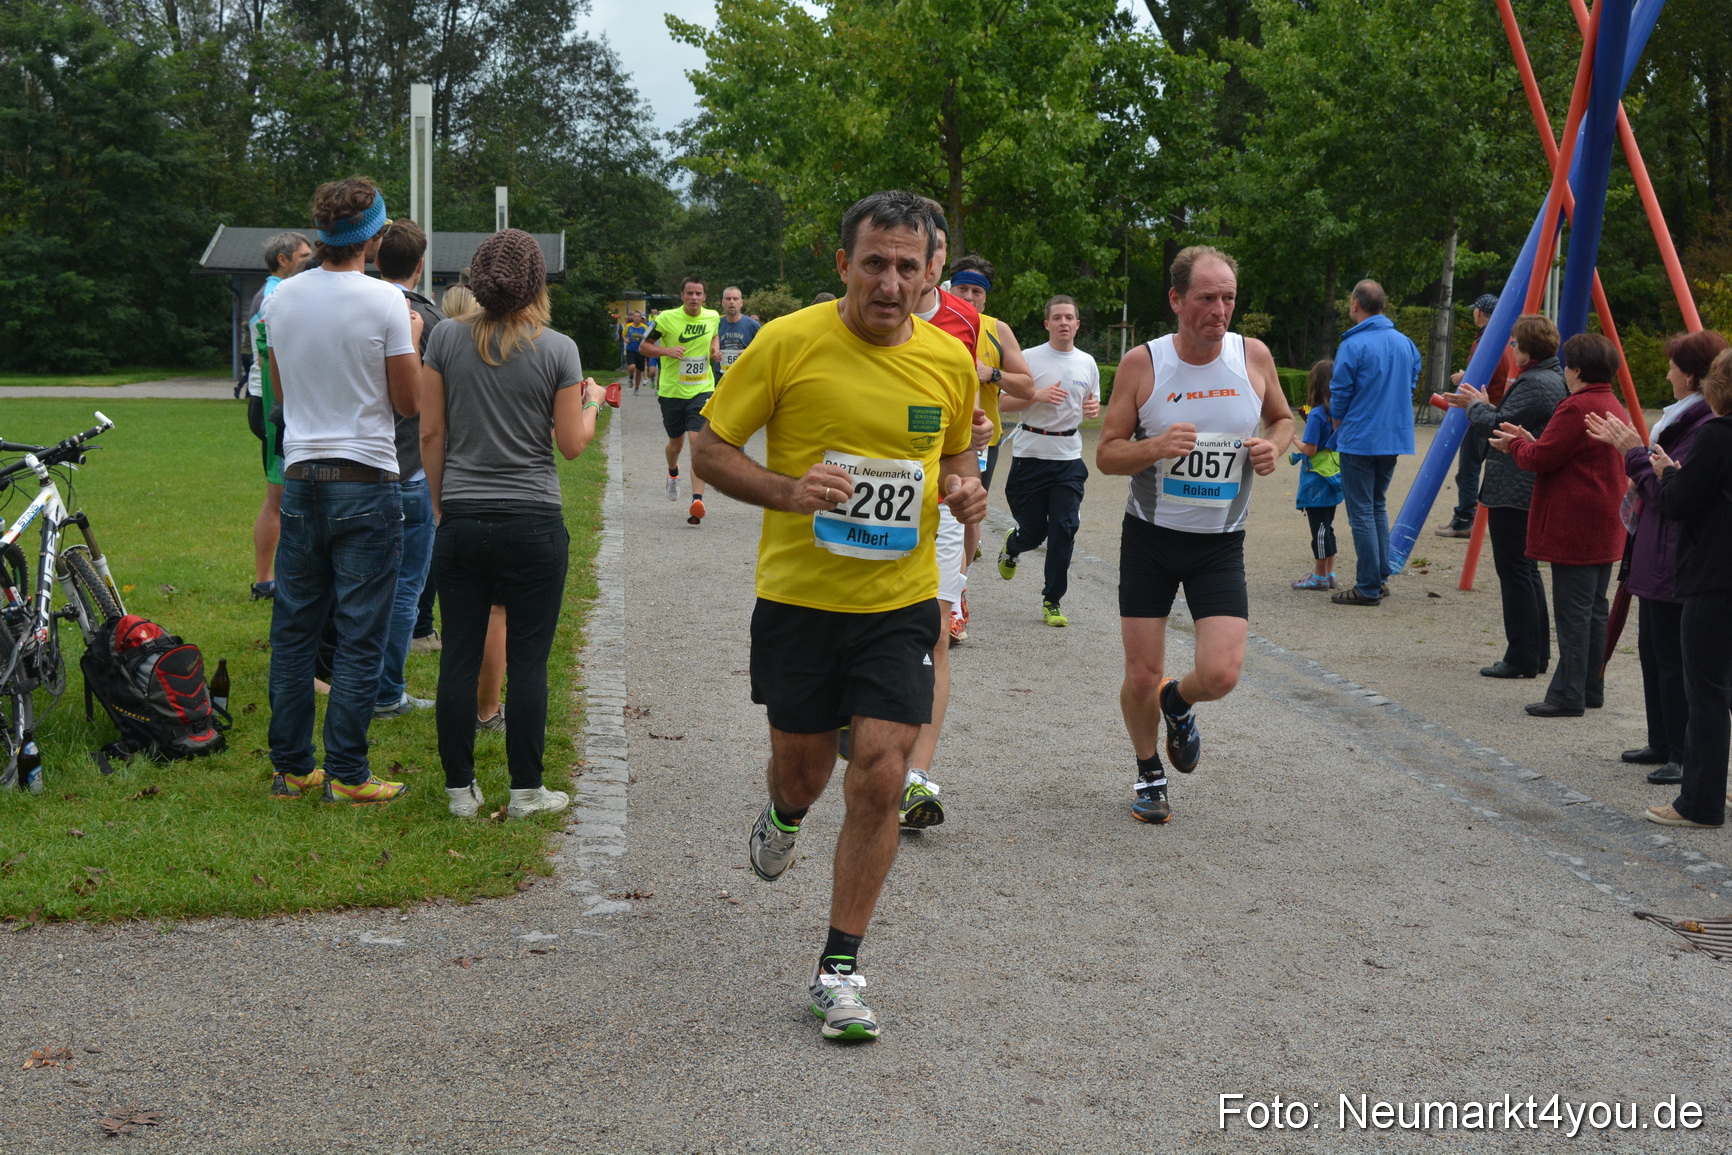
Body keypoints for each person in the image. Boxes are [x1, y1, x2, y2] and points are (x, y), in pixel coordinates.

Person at [691, 189, 985, 1041]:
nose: (889, 282)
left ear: (931, 270)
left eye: (907, 266)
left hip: (897, 604)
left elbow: (960, 454)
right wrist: (788, 490)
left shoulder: (948, 359)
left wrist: (966, 486)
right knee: (805, 775)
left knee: (884, 773)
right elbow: (710, 447)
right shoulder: (786, 343)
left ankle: (839, 967)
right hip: (799, 600)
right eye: (874, 263)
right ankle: (781, 816)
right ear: (843, 263)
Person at [1097, 245, 1293, 824]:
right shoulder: (1143, 364)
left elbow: (1283, 420)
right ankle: (1149, 773)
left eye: (1228, 297)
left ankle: (1177, 702)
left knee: (1221, 674)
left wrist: (1271, 448)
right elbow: (1107, 455)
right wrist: (1155, 447)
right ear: (1177, 299)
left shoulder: (1252, 356)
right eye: (1206, 297)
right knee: (1139, 673)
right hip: (1152, 538)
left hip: (1220, 543)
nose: (1220, 309)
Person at [420, 228, 607, 819]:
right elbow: (572, 445)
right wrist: (594, 402)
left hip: (463, 517)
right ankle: (527, 790)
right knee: (529, 660)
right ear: (537, 283)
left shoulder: (444, 338)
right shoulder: (559, 349)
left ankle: (459, 791)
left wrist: (438, 504)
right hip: (533, 520)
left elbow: (431, 432)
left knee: (459, 657)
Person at [261, 176, 421, 804]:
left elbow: (279, 389)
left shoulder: (280, 299)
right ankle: (348, 774)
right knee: (360, 634)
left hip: (301, 479)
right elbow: (407, 403)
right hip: (367, 480)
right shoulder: (385, 302)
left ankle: (292, 767)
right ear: (375, 238)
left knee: (295, 631)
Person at [1585, 329, 1729, 783]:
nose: (1666, 374)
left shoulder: (1704, 428)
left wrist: (1633, 457)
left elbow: (1674, 497)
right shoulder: (1687, 421)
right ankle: (1663, 740)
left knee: (1676, 661)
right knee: (1653, 651)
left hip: (1676, 556)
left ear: (1691, 376)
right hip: (1657, 552)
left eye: (1671, 367)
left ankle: (1682, 754)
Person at [900, 203, 989, 820]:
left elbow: (969, 406)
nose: (919, 267)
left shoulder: (965, 322)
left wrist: (974, 430)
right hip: (871, 505)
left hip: (942, 501)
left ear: (940, 260)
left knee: (933, 635)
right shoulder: (860, 316)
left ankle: (916, 777)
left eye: (931, 254)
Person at [1488, 332, 1628, 717]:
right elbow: (1558, 451)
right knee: (1595, 608)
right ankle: (1589, 686)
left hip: (1575, 521)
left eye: (1568, 365)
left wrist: (1516, 445)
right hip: (1605, 518)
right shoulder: (1611, 402)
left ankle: (1568, 694)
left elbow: (1542, 459)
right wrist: (1531, 441)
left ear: (1577, 369)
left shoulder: (1577, 406)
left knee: (1574, 612)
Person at [1447, 314, 1566, 680]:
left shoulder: (1535, 382)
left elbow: (1500, 427)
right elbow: (1507, 418)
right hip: (1522, 486)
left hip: (1514, 489)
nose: (1511, 347)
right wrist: (1483, 404)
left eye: (1515, 342)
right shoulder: (1548, 377)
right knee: (1526, 572)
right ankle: (1536, 653)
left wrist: (1474, 407)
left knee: (1515, 573)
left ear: (1526, 349)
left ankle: (1521, 656)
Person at [1642, 349, 1732, 827]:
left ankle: (1699, 803)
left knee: (1707, 692)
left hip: (1715, 574)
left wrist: (1668, 473)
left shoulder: (1717, 435)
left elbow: (1681, 503)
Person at [371, 219, 444, 720]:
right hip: (409, 469)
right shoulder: (430, 322)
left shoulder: (356, 307)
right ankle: (386, 691)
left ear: (378, 260)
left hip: (352, 464)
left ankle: (350, 680)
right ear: (420, 266)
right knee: (404, 588)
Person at [946, 254, 1036, 640]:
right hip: (928, 433)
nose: (968, 296)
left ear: (985, 298)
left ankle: (956, 591)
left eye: (976, 291)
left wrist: (992, 373)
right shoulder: (927, 319)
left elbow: (1028, 387)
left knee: (967, 514)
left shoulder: (996, 330)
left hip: (981, 439)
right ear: (949, 287)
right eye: (962, 288)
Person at [996, 295, 1101, 626]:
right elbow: (1000, 402)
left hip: (1068, 457)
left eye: (1070, 317)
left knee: (1064, 528)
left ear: (1078, 324)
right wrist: (1035, 395)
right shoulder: (1028, 358)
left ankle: (1052, 600)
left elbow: (1092, 399)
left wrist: (1093, 408)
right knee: (1034, 532)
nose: (1064, 322)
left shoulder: (1088, 362)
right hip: (1030, 454)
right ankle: (1014, 545)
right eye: (1057, 317)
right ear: (1047, 324)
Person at [1329, 280, 1421, 607]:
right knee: (1377, 504)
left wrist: (1339, 425)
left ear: (1355, 305)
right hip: (1393, 436)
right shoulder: (1406, 343)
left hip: (1359, 437)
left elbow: (1339, 393)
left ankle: (1368, 586)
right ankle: (1379, 577)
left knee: (1362, 513)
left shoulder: (1353, 345)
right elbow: (1411, 383)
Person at [244, 230, 312, 601]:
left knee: (285, 494)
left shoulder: (276, 291)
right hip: (271, 404)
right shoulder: (274, 295)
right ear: (283, 260)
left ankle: (275, 577)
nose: (310, 261)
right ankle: (265, 580)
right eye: (303, 257)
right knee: (278, 495)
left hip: (273, 402)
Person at [638, 280, 721, 525]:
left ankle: (697, 501)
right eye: (689, 293)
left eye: (698, 293)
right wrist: (667, 351)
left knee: (698, 443)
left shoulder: (713, 316)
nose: (694, 298)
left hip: (702, 389)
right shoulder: (665, 319)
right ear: (682, 295)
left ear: (705, 297)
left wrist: (715, 350)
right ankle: (673, 473)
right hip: (672, 391)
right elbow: (644, 346)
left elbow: (714, 336)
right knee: (676, 444)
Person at [1436, 293, 1516, 537]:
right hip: (1498, 409)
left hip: (1481, 412)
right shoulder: (1507, 340)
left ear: (1480, 313)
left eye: (1474, 310)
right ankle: (1469, 517)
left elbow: (1485, 375)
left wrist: (1466, 378)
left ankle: (1464, 519)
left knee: (1469, 468)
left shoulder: (1486, 341)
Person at [1288, 359, 1343, 590]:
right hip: (1334, 474)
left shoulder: (1318, 414)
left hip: (1316, 480)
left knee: (1319, 530)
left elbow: (1310, 449)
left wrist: (1294, 439)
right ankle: (1330, 573)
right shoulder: (1338, 413)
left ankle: (1319, 577)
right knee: (1328, 527)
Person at [715, 288, 761, 380]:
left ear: (741, 302)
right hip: (720, 377)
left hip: (744, 377)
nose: (732, 302)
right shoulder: (716, 324)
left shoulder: (753, 325)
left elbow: (763, 348)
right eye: (728, 299)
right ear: (723, 302)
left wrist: (749, 352)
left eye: (735, 299)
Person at [624, 310, 650, 393]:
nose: (637, 318)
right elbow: (623, 335)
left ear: (641, 318)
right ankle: (631, 377)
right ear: (633, 317)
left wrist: (644, 338)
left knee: (639, 371)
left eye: (639, 317)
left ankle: (637, 388)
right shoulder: (628, 326)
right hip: (630, 349)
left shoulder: (644, 327)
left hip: (640, 351)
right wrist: (625, 340)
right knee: (632, 366)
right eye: (635, 316)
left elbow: (649, 338)